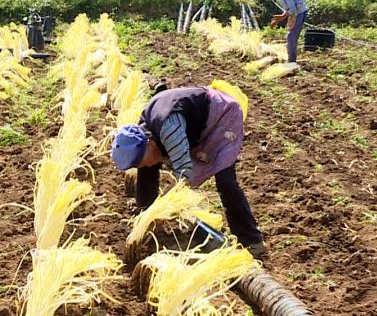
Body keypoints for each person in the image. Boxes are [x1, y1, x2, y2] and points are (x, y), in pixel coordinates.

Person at [110, 85, 266, 259]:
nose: (144, 165)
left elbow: (184, 175)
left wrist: (164, 204)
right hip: (193, 125)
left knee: (225, 182)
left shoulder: (169, 129)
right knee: (148, 168)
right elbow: (149, 168)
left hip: (222, 117)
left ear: (149, 144)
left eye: (141, 161)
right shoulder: (143, 133)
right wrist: (146, 216)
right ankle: (147, 218)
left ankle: (252, 241)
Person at [266, 0, 308, 65]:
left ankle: (292, 60)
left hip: (299, 13)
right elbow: (287, 9)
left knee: (291, 36)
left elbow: (293, 10)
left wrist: (281, 18)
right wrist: (280, 17)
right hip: (296, 13)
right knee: (290, 35)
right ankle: (291, 58)